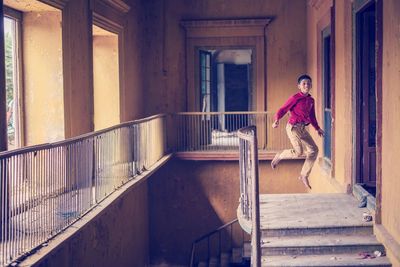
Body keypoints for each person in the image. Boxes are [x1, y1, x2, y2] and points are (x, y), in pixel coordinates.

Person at [270, 74, 324, 189]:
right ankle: (280, 155)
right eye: (304, 83)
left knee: (314, 149)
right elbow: (283, 109)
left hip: (302, 128)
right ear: (299, 86)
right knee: (299, 152)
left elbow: (312, 116)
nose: (306, 85)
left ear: (311, 85)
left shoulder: (311, 100)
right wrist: (276, 120)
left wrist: (317, 128)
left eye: (308, 83)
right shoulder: (295, 98)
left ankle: (304, 175)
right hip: (293, 128)